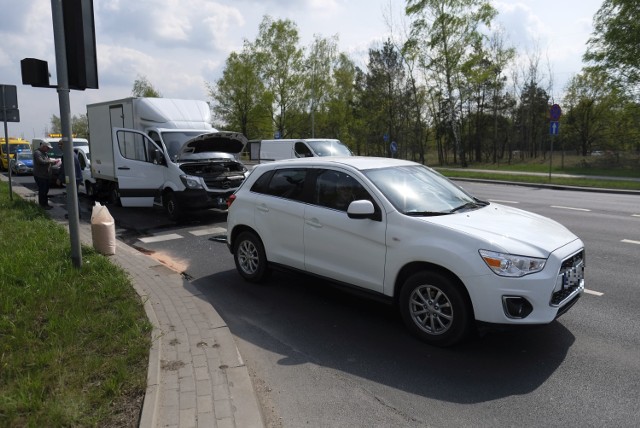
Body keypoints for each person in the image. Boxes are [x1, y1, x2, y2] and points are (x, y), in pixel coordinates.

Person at [56, 141, 83, 219]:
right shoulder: (71, 153)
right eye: (59, 145)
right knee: (73, 196)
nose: (59, 147)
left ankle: (75, 215)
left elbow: (65, 168)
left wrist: (60, 178)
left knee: (73, 197)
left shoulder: (67, 155)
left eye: (61, 145)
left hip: (73, 178)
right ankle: (75, 214)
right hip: (75, 178)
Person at [32, 141, 59, 209]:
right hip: (40, 175)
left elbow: (47, 162)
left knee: (46, 190)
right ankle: (42, 205)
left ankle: (45, 204)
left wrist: (54, 162)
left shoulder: (45, 153)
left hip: (46, 175)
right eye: (48, 148)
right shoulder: (37, 153)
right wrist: (51, 161)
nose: (49, 149)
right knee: (42, 191)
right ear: (43, 147)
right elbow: (41, 161)